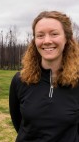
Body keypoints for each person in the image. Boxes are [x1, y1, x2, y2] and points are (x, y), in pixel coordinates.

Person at [9, 10, 79, 142]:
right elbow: (18, 122)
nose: (47, 41)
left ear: (67, 38)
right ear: (34, 40)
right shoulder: (20, 80)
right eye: (40, 35)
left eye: (54, 34)